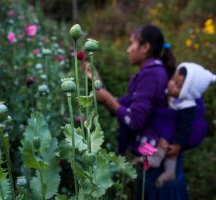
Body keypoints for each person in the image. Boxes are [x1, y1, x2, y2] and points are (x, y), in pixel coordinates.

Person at [92, 24, 191, 199]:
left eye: (131, 44)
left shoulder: (151, 75)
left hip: (156, 165)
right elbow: (123, 107)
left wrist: (107, 98)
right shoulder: (152, 72)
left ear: (145, 48)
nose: (128, 50)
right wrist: (100, 87)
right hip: (154, 160)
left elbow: (133, 119)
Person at [146, 62, 215, 187]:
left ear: (188, 92)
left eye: (178, 85)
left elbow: (185, 127)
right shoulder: (174, 95)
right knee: (167, 138)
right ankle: (167, 170)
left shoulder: (188, 106)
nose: (172, 84)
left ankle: (162, 166)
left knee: (170, 149)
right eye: (173, 79)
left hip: (183, 133)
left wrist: (178, 144)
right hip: (175, 125)